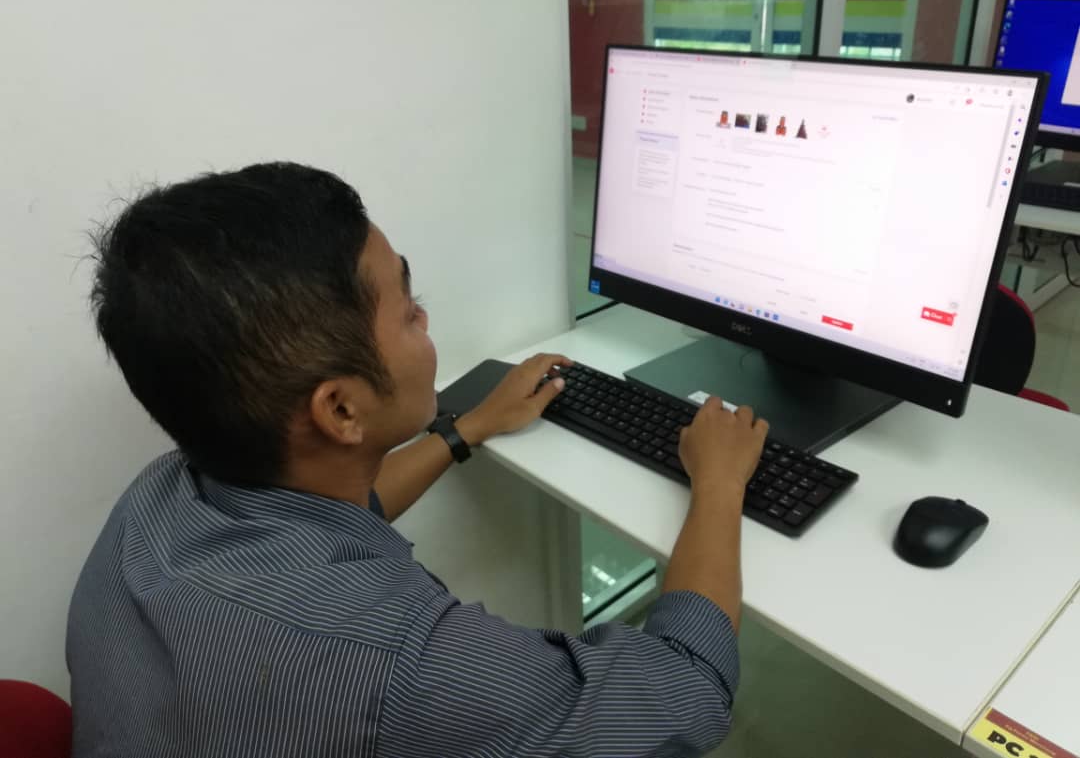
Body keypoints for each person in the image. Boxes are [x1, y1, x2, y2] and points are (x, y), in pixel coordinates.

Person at [68, 162, 768, 757]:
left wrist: (471, 427)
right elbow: (686, 691)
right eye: (408, 310)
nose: (425, 320)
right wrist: (718, 480)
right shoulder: (399, 664)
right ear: (341, 410)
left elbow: (329, 518)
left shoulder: (152, 505)